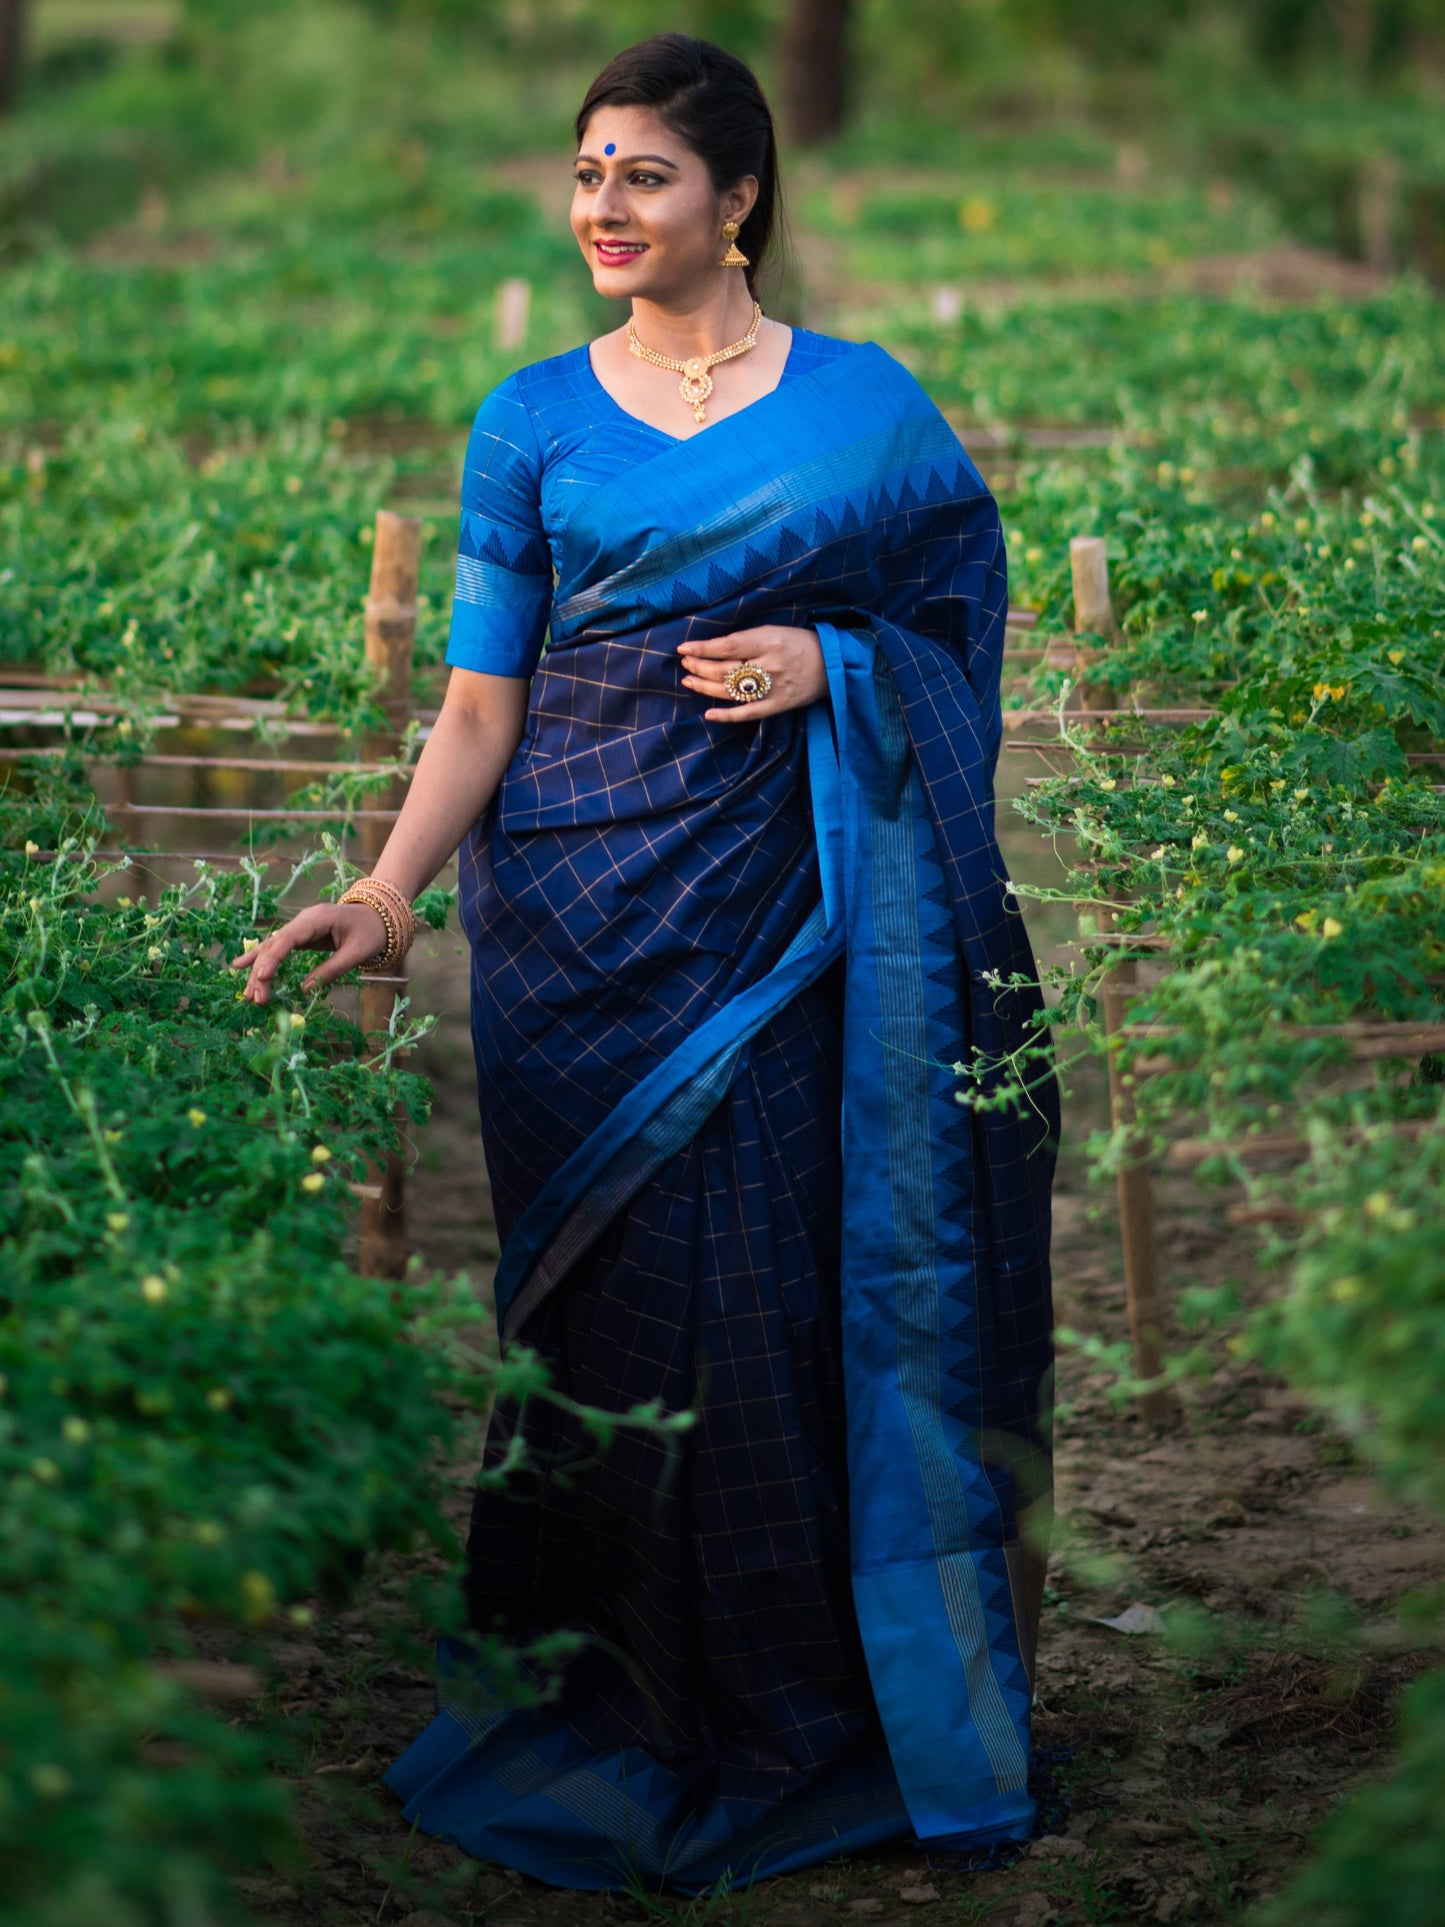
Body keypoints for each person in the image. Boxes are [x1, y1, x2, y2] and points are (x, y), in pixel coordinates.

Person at [232, 31, 1060, 1897]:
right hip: (577, 939)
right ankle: (602, 1702)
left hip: (790, 920)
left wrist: (830, 670)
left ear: (738, 196)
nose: (603, 206)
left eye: (643, 176)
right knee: (596, 1323)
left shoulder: (864, 412)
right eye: (588, 172)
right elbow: (473, 708)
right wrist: (384, 895)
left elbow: (950, 628)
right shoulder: (529, 417)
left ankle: (801, 1710)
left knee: (775, 1296)